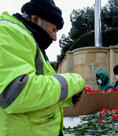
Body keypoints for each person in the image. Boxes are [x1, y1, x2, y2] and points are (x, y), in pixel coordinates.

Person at [0, 0, 85, 135]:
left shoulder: (32, 44)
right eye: (53, 30)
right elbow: (16, 94)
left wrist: (69, 97)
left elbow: (39, 95)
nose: (55, 37)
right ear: (35, 19)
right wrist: (75, 81)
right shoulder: (7, 31)